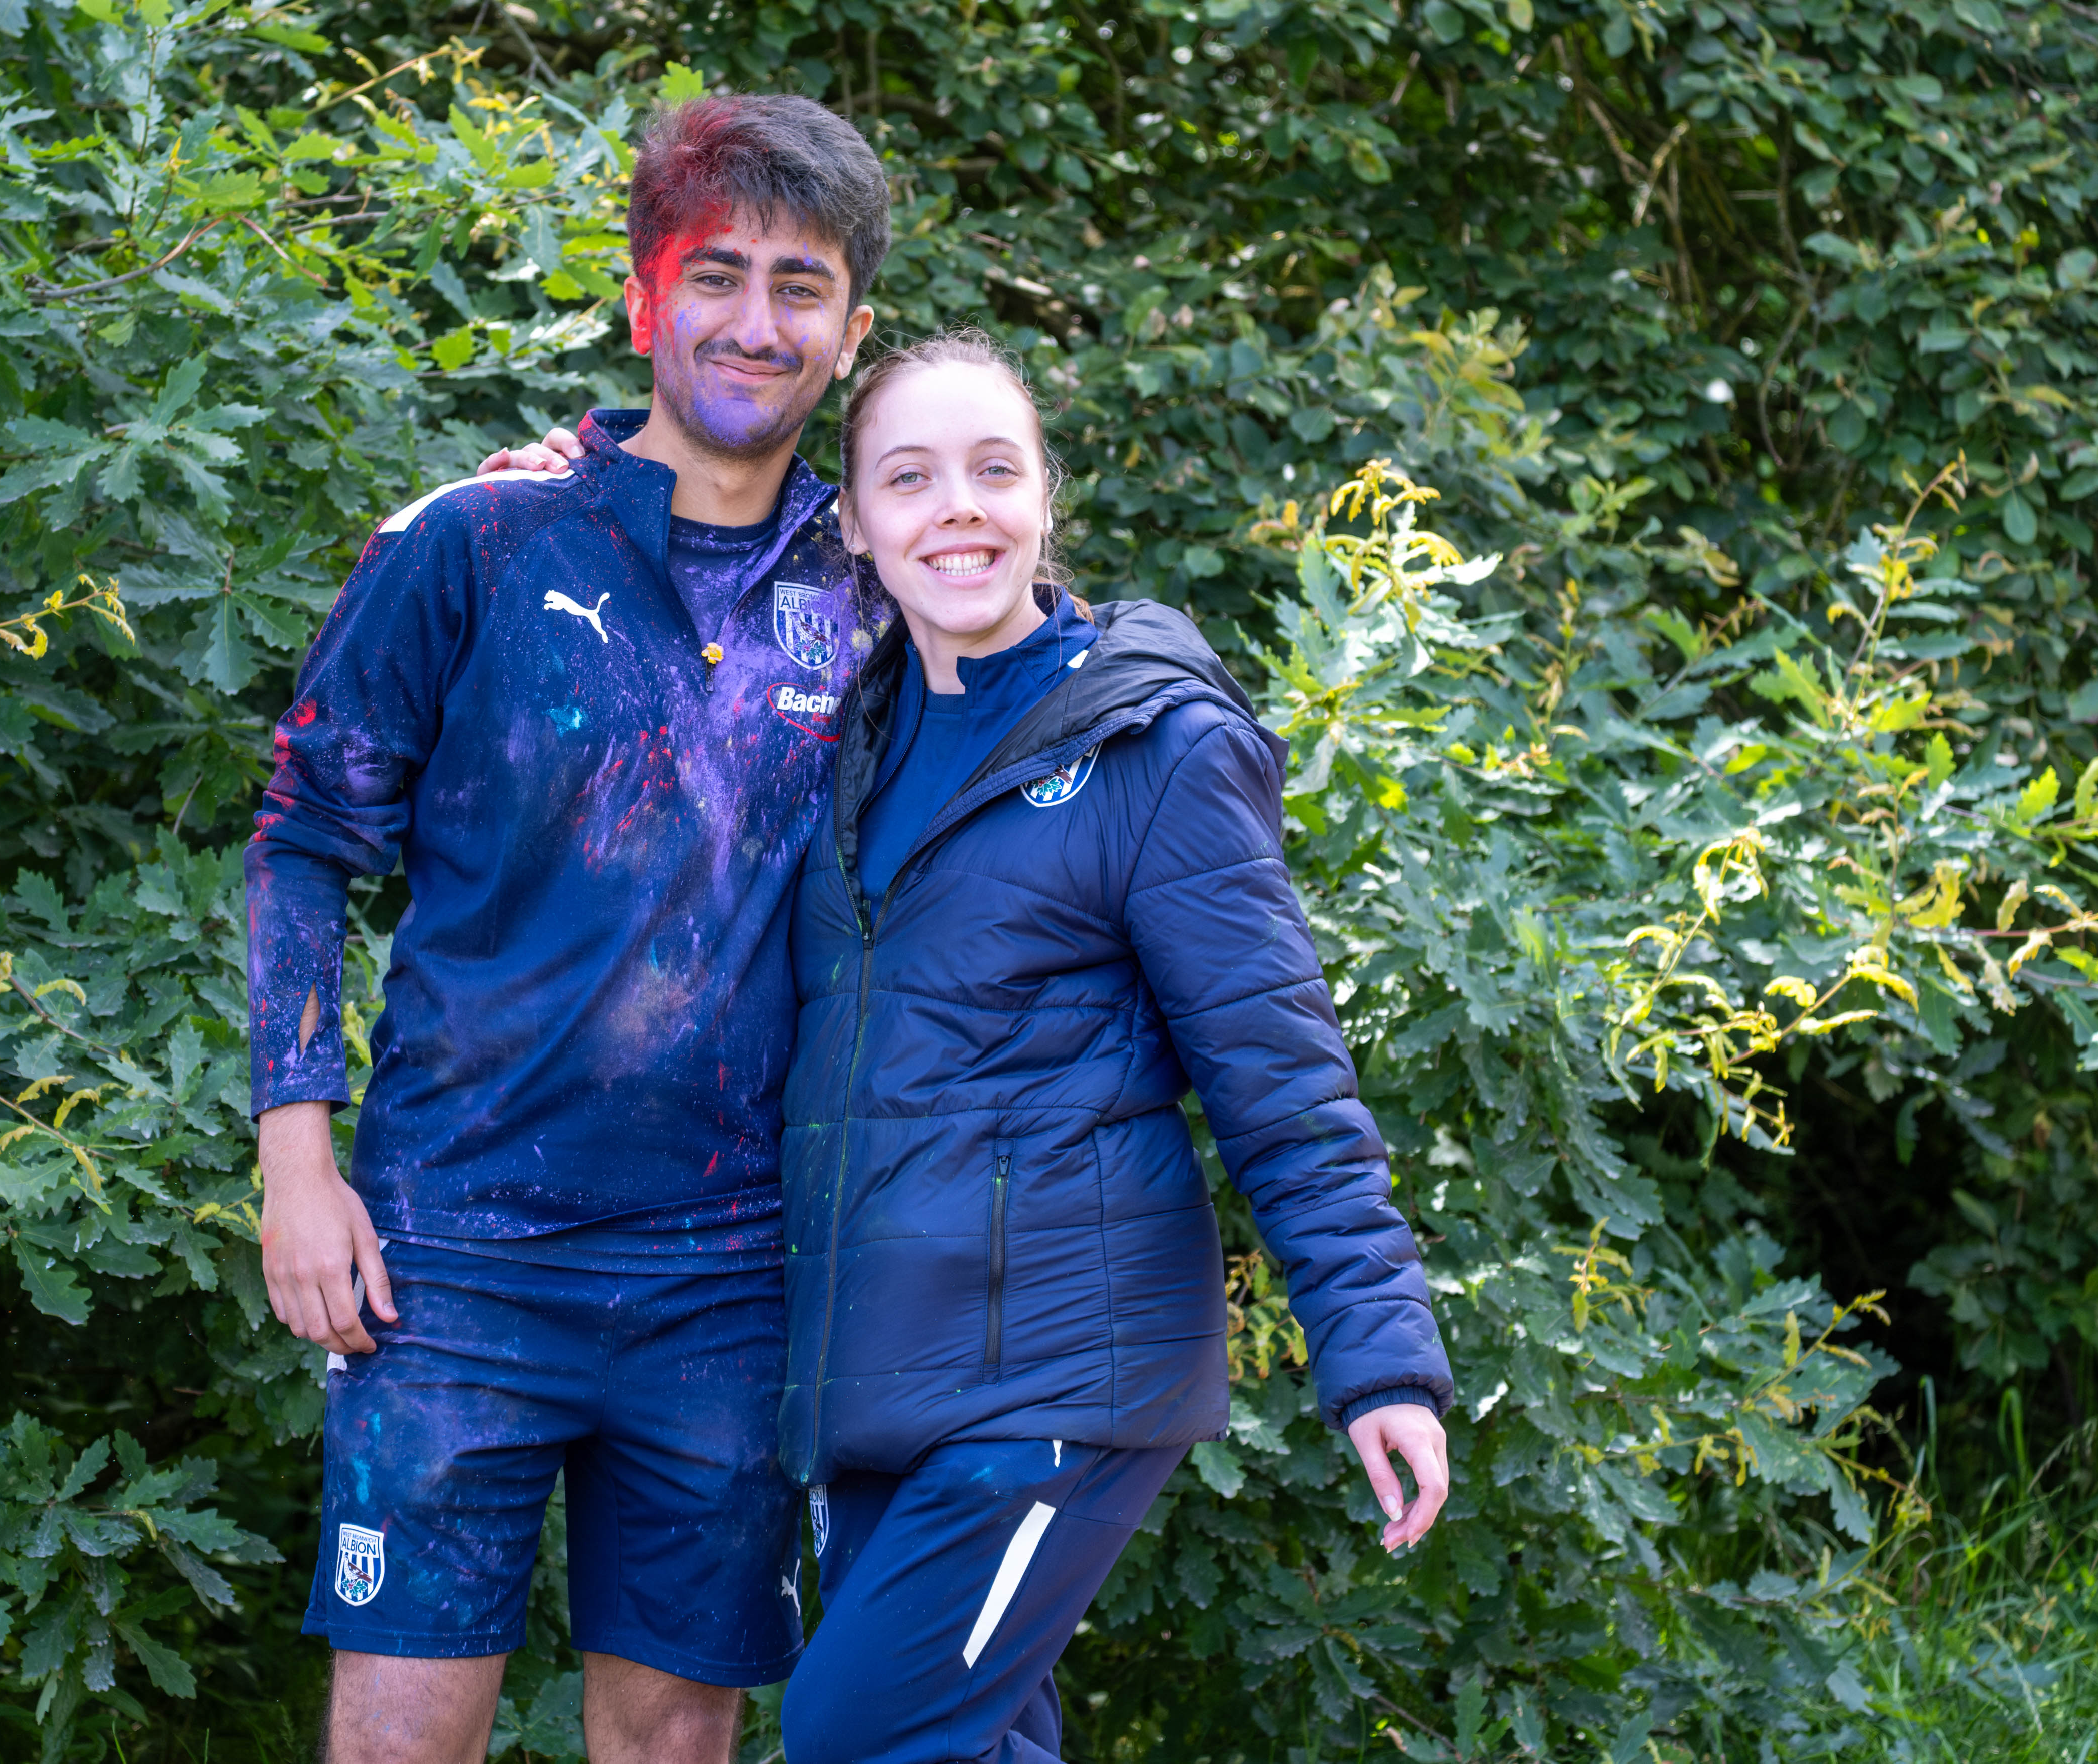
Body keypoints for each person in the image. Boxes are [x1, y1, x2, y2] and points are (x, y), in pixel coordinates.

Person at [245, 93, 885, 1764]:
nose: (758, 320)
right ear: (643, 298)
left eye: (801, 284)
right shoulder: (474, 541)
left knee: (673, 1743)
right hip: (449, 1253)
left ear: (852, 326)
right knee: (399, 1737)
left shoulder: (878, 592)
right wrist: (296, 1166)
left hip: (732, 1275)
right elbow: (305, 845)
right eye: (720, 273)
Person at [773, 329, 1454, 1764]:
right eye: (910, 476)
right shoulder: (847, 737)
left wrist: (1380, 1357)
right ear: (855, 523)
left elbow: (1282, 1074)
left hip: (1055, 1376)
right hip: (880, 1369)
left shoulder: (1152, 746)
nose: (956, 505)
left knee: (853, 1734)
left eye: (993, 468)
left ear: (1043, 497)